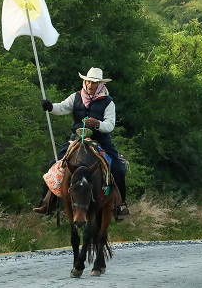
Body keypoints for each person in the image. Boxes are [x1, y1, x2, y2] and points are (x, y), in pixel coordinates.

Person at [33, 67, 130, 219]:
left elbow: (110, 124)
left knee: (118, 168)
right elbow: (62, 107)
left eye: (94, 83)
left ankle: (120, 205)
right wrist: (50, 107)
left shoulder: (108, 102)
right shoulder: (76, 97)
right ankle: (46, 203)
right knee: (54, 164)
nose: (90, 85)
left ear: (100, 85)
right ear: (84, 81)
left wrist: (97, 123)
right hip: (77, 138)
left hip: (100, 140)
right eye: (88, 81)